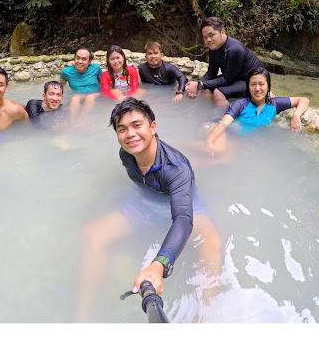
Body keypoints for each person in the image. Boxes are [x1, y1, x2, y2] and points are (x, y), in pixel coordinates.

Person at [76, 98, 222, 321]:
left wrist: (159, 265)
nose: (130, 134)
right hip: (145, 202)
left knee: (212, 242)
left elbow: (183, 218)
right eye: (122, 129)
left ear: (152, 127)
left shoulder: (176, 168)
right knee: (92, 235)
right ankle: (82, 317)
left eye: (137, 125)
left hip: (182, 204)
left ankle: (203, 317)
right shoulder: (126, 154)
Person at [205, 67, 310, 155]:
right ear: (248, 87)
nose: (257, 88)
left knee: (224, 161)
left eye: (261, 84)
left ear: (268, 86)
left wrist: (296, 115)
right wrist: (209, 141)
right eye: (253, 84)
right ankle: (188, 144)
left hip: (235, 137)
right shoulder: (240, 104)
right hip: (218, 129)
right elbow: (223, 124)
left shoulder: (275, 104)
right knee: (218, 149)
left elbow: (304, 99)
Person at [185, 17, 263, 108]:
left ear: (222, 32)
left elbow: (227, 79)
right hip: (235, 77)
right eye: (205, 37)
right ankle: (210, 114)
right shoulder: (213, 47)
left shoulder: (234, 50)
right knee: (204, 90)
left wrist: (199, 85)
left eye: (212, 35)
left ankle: (226, 120)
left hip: (254, 81)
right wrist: (198, 85)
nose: (208, 40)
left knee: (218, 93)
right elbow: (211, 72)